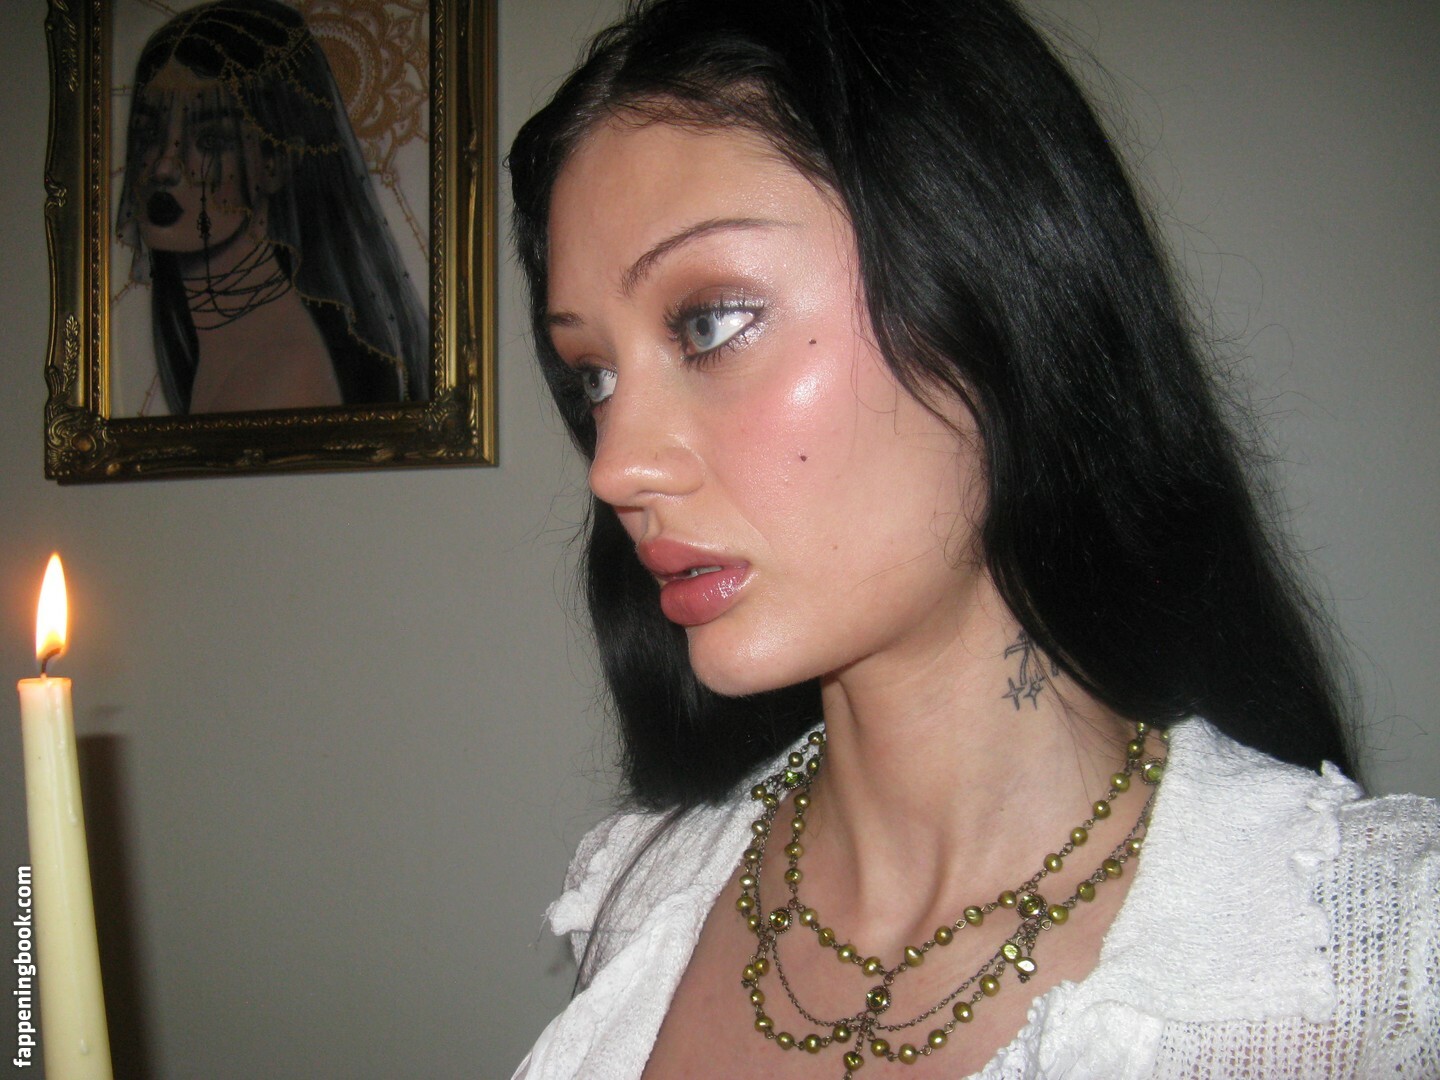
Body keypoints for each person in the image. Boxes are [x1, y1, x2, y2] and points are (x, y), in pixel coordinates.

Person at [508, 0, 1439, 1076]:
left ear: (992, 287)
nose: (615, 466)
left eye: (710, 321)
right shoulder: (648, 897)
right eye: (594, 376)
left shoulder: (1371, 974)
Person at [115, 0, 429, 414]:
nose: (164, 167)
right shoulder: (224, 342)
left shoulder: (284, 369)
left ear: (277, 162)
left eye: (210, 141)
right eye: (147, 132)